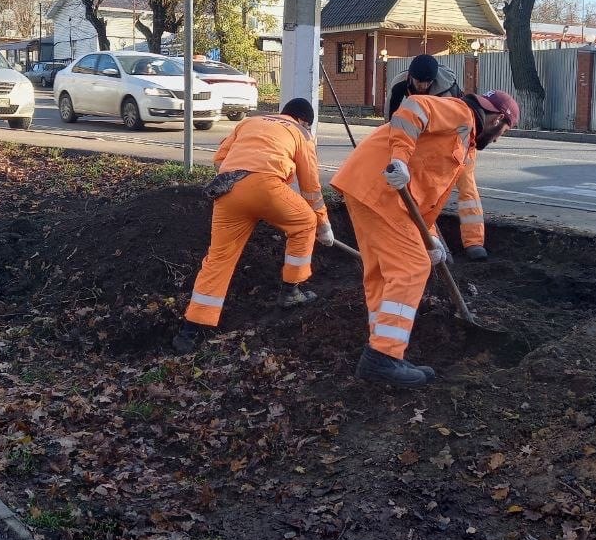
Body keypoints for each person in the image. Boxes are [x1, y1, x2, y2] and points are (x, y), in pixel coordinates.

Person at [333, 88, 520, 388]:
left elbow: (426, 196)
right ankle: (382, 357)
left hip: (369, 188)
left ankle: (382, 351)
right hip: (382, 189)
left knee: (383, 274)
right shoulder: (462, 114)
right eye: (504, 131)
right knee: (412, 267)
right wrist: (400, 160)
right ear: (498, 118)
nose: (498, 138)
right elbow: (414, 108)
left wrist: (430, 237)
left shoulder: (464, 143)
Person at [173, 98, 333, 353]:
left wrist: (246, 196)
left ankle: (190, 331)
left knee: (218, 258)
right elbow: (311, 187)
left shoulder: (251, 121)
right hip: (266, 187)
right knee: (305, 222)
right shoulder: (300, 133)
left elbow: (219, 160)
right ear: (304, 121)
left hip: (228, 190)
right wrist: (323, 224)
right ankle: (291, 291)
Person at [385, 54, 491, 261]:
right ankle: (432, 242)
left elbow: (452, 127)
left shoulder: (446, 89)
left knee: (466, 188)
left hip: (459, 142)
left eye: (428, 82)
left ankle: (474, 242)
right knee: (424, 192)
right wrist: (395, 153)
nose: (423, 85)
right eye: (419, 81)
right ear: (410, 77)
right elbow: (391, 120)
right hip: (419, 138)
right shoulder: (399, 85)